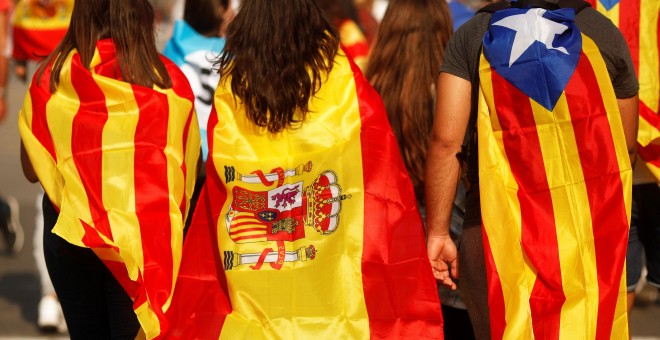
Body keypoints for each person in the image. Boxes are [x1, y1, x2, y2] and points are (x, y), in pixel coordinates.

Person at [164, 0, 443, 338]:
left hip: (255, 279)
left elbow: (223, 176)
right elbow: (378, 179)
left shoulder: (233, 87)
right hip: (326, 288)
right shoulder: (341, 81)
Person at [425, 0, 639, 338]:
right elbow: (625, 143)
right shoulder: (600, 33)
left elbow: (446, 142)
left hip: (493, 229)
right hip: (587, 233)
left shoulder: (473, 35)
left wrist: (437, 232)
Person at [18, 0, 200, 338]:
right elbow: (188, 165)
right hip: (144, 241)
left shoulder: (51, 76)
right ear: (142, 16)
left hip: (73, 236)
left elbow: (32, 169)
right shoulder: (168, 81)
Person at [365, 1, 473, 338]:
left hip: (389, 260)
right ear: (444, 31)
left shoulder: (368, 96)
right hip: (448, 265)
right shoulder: (455, 97)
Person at [163, 0, 233, 229]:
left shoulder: (171, 51)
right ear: (222, 14)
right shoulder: (235, 57)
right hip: (221, 161)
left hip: (184, 159)